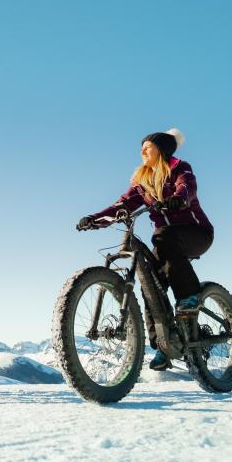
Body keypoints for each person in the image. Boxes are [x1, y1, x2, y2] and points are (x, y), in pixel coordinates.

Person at [76, 128, 214, 371]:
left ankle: (190, 295)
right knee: (150, 283)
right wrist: (95, 219)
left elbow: (187, 187)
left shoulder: (180, 168)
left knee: (163, 235)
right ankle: (163, 345)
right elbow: (123, 204)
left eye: (147, 147)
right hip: (167, 242)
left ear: (161, 150)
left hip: (196, 233)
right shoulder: (143, 181)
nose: (142, 152)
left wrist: (179, 199)